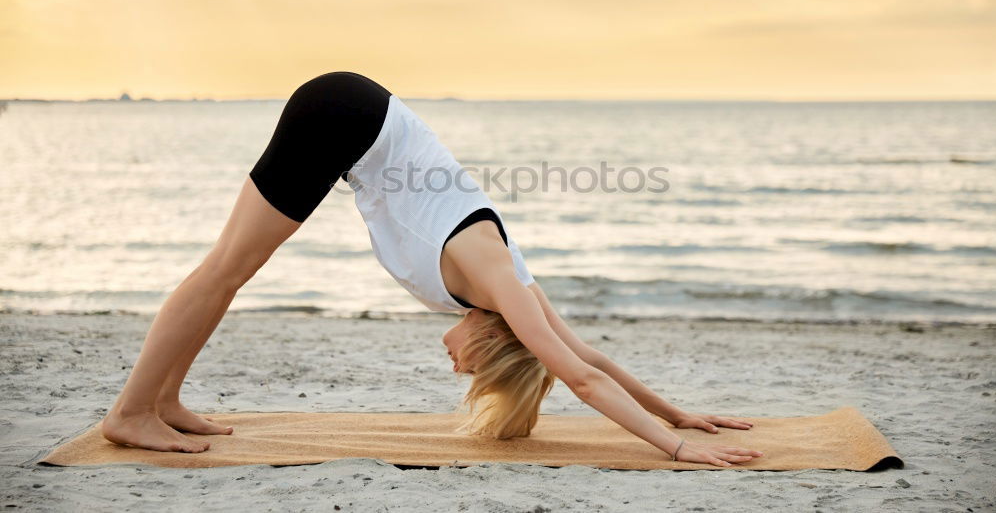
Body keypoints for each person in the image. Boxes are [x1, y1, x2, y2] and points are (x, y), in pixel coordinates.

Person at [100, 71, 763, 467]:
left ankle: (165, 401)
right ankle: (133, 411)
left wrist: (681, 416)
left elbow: (588, 353)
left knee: (229, 270)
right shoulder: (499, 281)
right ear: (492, 337)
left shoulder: (513, 287)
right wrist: (673, 448)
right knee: (226, 269)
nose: (455, 364)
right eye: (471, 367)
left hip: (355, 121)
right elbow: (583, 377)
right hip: (346, 118)